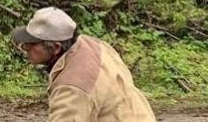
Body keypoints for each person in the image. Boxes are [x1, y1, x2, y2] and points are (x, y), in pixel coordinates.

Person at [12, 7, 155, 121]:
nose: (25, 48)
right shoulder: (94, 45)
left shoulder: (72, 88)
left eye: (30, 44)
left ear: (55, 48)